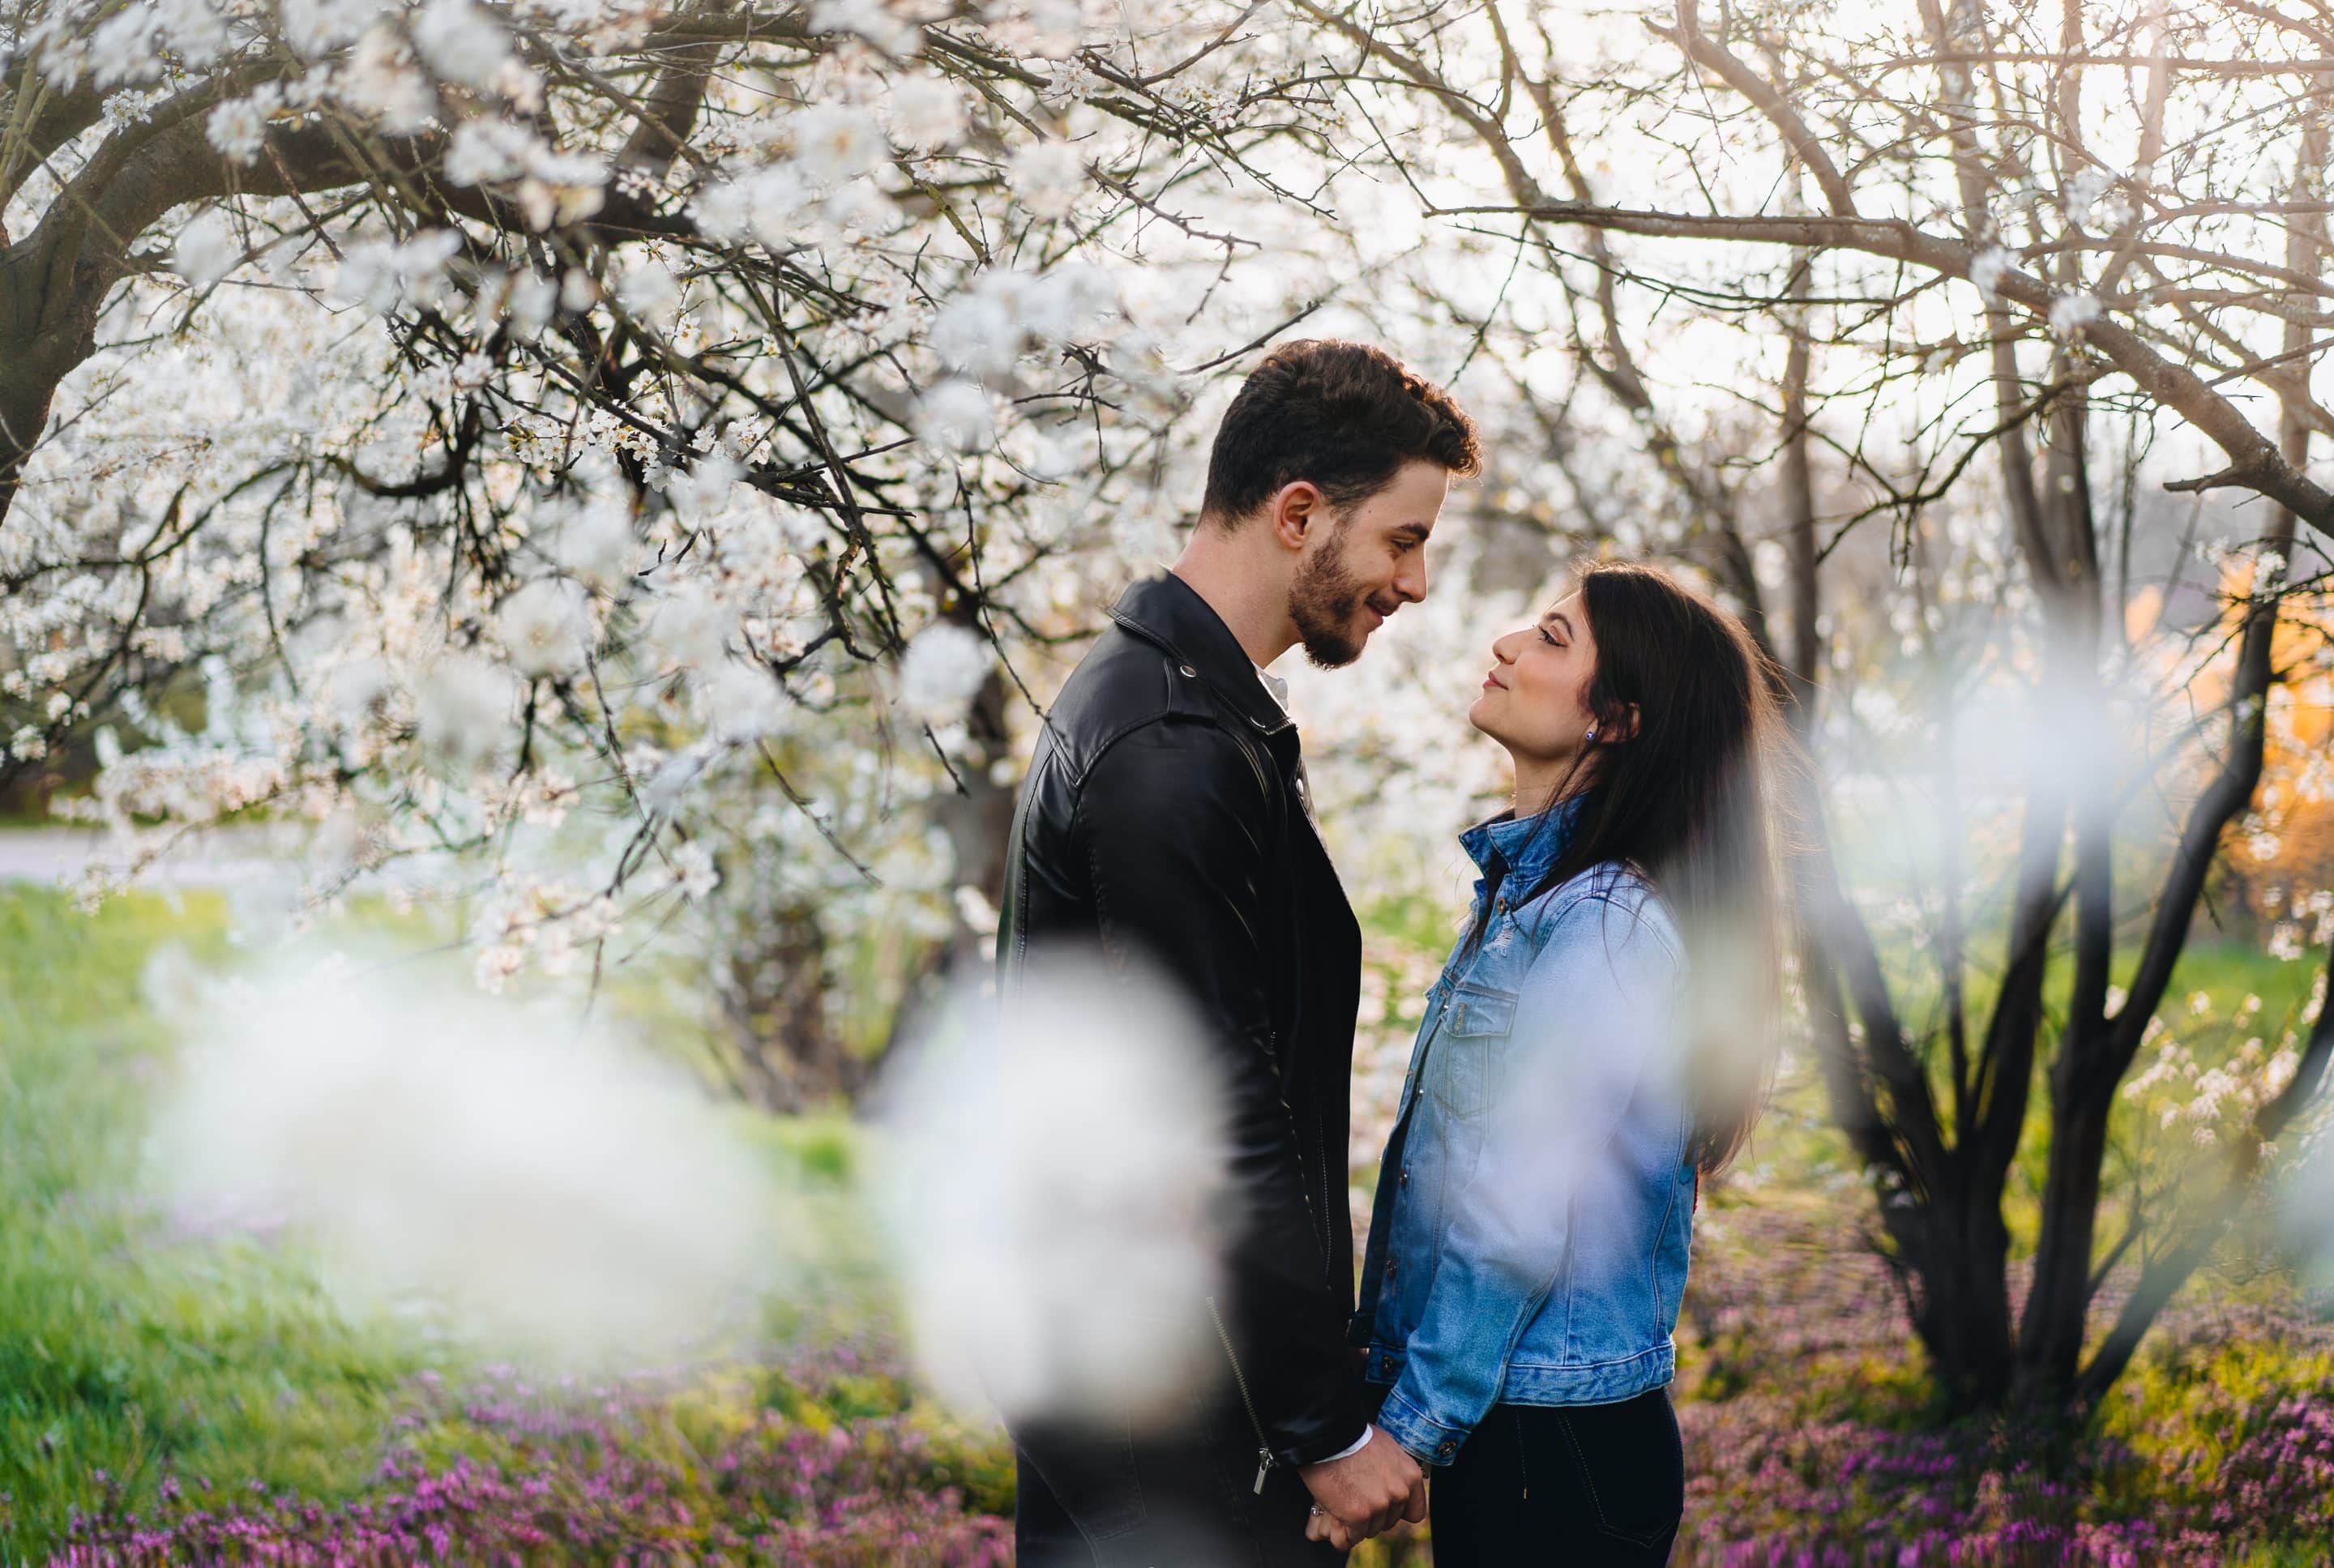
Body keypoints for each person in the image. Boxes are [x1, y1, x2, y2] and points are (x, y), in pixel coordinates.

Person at [995, 339, 1481, 1566]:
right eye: (1404, 539)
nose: (1415, 583)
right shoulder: (1170, 743)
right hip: (1168, 1417)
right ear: (1300, 513)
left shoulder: (1188, 711)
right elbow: (1219, 1118)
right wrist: (1321, 1426)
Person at [1330, 560, 1784, 1564]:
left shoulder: (1605, 928)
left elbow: (1515, 1214)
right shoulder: (1532, 903)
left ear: (1616, 718)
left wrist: (1410, 1430)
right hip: (1524, 1426)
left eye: (1550, 638)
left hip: (1555, 1446)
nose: (1505, 646)